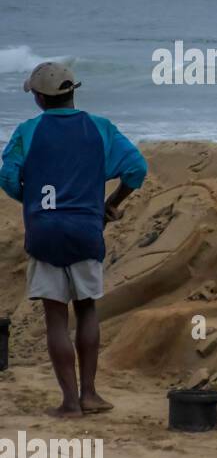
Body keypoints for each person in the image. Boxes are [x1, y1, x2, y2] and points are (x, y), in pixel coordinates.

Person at [1, 62, 148, 417]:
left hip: (45, 231)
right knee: (86, 309)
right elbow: (137, 169)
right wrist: (110, 205)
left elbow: (7, 177)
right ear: (72, 92)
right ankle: (91, 395)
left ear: (39, 97)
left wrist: (33, 201)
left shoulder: (28, 131)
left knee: (55, 318)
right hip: (86, 228)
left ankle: (68, 402)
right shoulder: (99, 128)